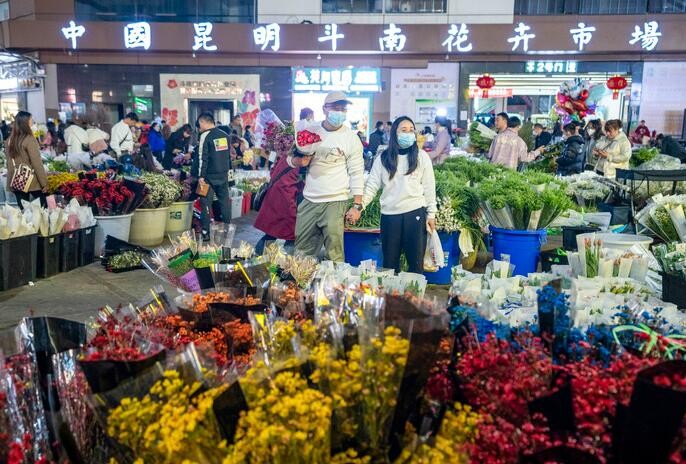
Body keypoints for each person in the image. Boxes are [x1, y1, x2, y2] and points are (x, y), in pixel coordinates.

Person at [347, 116, 436, 273]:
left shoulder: (421, 157)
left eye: (411, 130)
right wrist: (359, 207)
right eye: (404, 130)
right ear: (395, 133)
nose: (408, 133)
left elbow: (429, 187)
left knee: (416, 265)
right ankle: (392, 296)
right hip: (389, 216)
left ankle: (413, 296)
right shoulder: (383, 158)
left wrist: (431, 214)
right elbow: (372, 186)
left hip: (415, 213)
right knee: (390, 264)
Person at [292, 91, 364, 262]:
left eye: (343, 109)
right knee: (302, 252)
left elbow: (357, 172)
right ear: (324, 109)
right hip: (310, 200)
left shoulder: (351, 139)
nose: (339, 112)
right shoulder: (309, 131)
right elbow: (289, 159)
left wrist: (357, 205)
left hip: (336, 201)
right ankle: (301, 286)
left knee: (334, 253)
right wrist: (298, 161)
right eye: (335, 108)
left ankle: (334, 287)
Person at [253, 147, 305, 254]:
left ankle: (256, 258)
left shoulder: (284, 157)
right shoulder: (299, 167)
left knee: (270, 235)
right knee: (291, 238)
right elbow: (303, 186)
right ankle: (285, 265)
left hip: (273, 200)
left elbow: (272, 172)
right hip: (287, 204)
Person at [196, 113, 232, 239]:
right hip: (223, 175)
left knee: (205, 202)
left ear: (203, 122)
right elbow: (228, 157)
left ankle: (205, 232)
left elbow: (202, 157)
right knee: (224, 203)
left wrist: (201, 176)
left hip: (208, 177)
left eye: (200, 124)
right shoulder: (225, 135)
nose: (200, 127)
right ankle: (227, 229)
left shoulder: (205, 135)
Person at [6, 111, 48, 209]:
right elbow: (37, 163)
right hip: (32, 180)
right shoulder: (29, 139)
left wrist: (11, 180)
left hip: (17, 180)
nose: (32, 123)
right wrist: (44, 183)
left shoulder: (9, 140)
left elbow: (9, 162)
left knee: (24, 213)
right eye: (31, 120)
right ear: (25, 123)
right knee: (42, 211)